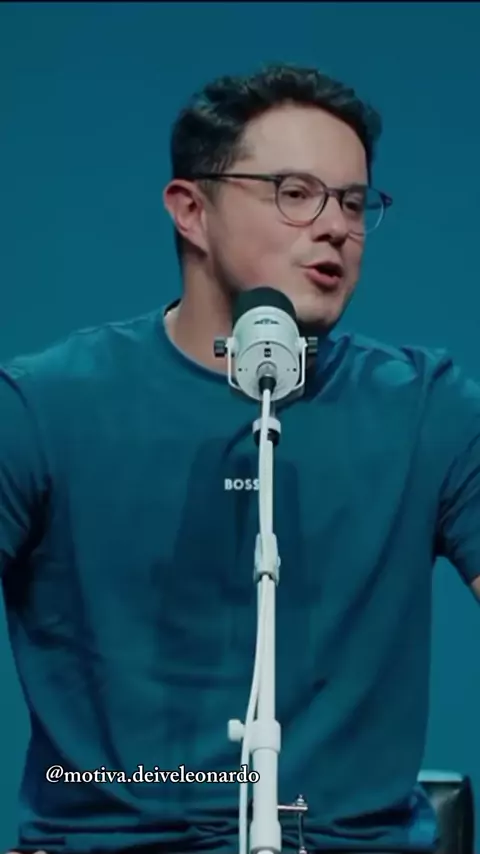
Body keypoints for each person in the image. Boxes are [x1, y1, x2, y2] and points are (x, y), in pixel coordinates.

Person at [1, 62, 479, 854]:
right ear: (191, 210)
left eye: (353, 202)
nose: (334, 227)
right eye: (295, 194)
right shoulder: (42, 409)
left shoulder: (426, 408)